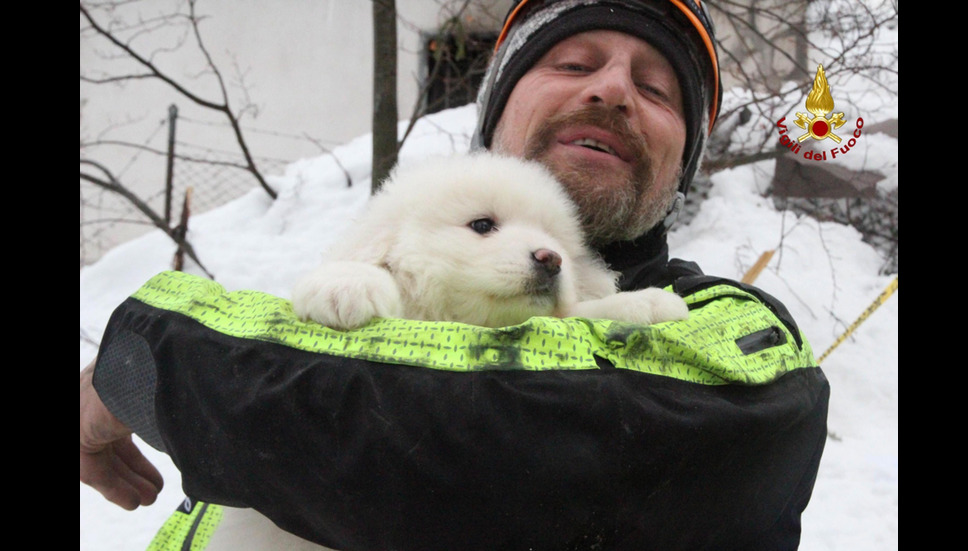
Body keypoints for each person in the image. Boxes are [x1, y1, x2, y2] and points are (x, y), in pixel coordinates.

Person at [80, 1, 830, 549]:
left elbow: (496, 434)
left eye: (658, 89)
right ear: (495, 113)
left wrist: (148, 362)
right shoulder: (386, 247)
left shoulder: (726, 329)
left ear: (685, 158)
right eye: (572, 63)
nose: (612, 91)